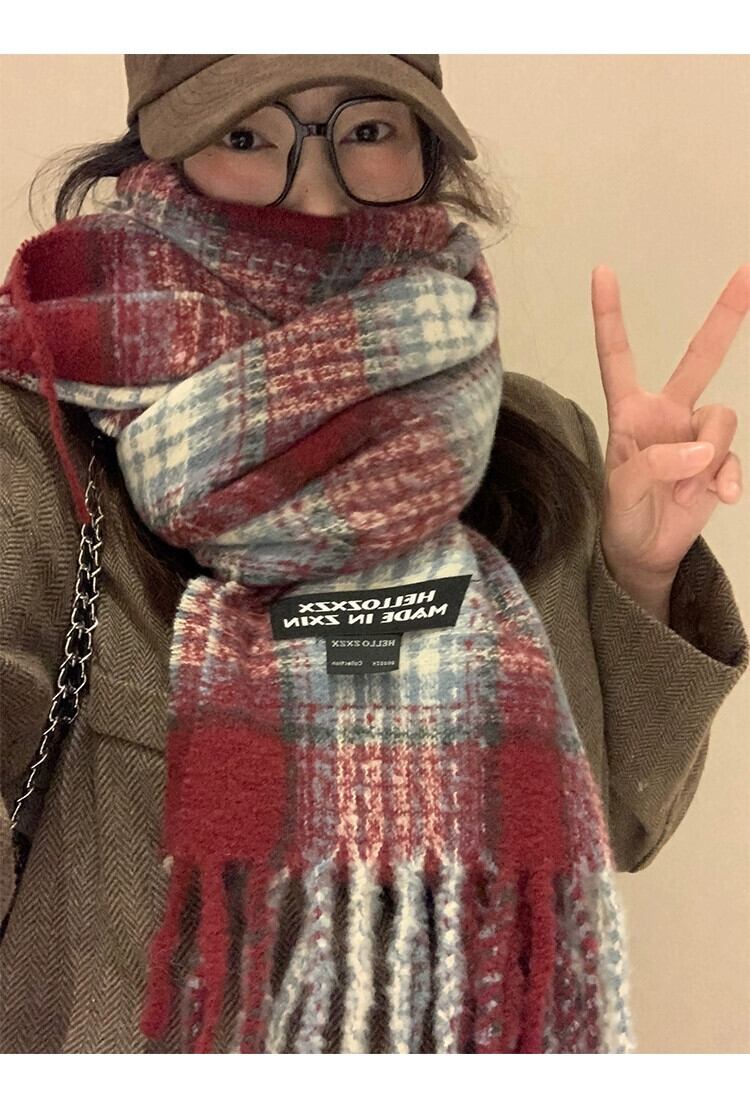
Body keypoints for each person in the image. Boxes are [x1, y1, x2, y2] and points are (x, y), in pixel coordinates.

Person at [0, 55, 747, 1055]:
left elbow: (618, 825)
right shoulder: (40, 444)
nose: (316, 193)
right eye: (246, 136)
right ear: (157, 162)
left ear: (426, 151)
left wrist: (641, 567)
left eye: (366, 131)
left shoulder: (533, 440)